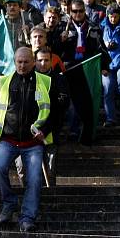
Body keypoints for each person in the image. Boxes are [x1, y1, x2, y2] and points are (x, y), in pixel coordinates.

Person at [0, 47, 57, 232]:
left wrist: (45, 130)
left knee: (34, 179)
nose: (22, 65)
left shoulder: (45, 81)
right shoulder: (4, 82)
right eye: (19, 62)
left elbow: (55, 112)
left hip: (33, 143)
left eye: (26, 62)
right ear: (14, 62)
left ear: (33, 62)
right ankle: (9, 203)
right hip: (8, 139)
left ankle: (27, 217)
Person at [59, 0, 108, 143]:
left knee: (86, 102)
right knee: (72, 103)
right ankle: (72, 131)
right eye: (74, 11)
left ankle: (86, 134)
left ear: (84, 11)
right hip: (69, 68)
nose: (78, 14)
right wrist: (61, 40)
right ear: (70, 12)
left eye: (81, 11)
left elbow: (101, 48)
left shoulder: (93, 27)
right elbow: (55, 50)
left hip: (87, 67)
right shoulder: (63, 27)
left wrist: (104, 66)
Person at [35, 47, 69, 185]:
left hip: (52, 132)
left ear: (51, 61)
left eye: (46, 60)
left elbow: (63, 105)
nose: (43, 64)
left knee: (50, 169)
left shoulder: (60, 80)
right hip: (31, 132)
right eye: (39, 60)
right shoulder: (28, 78)